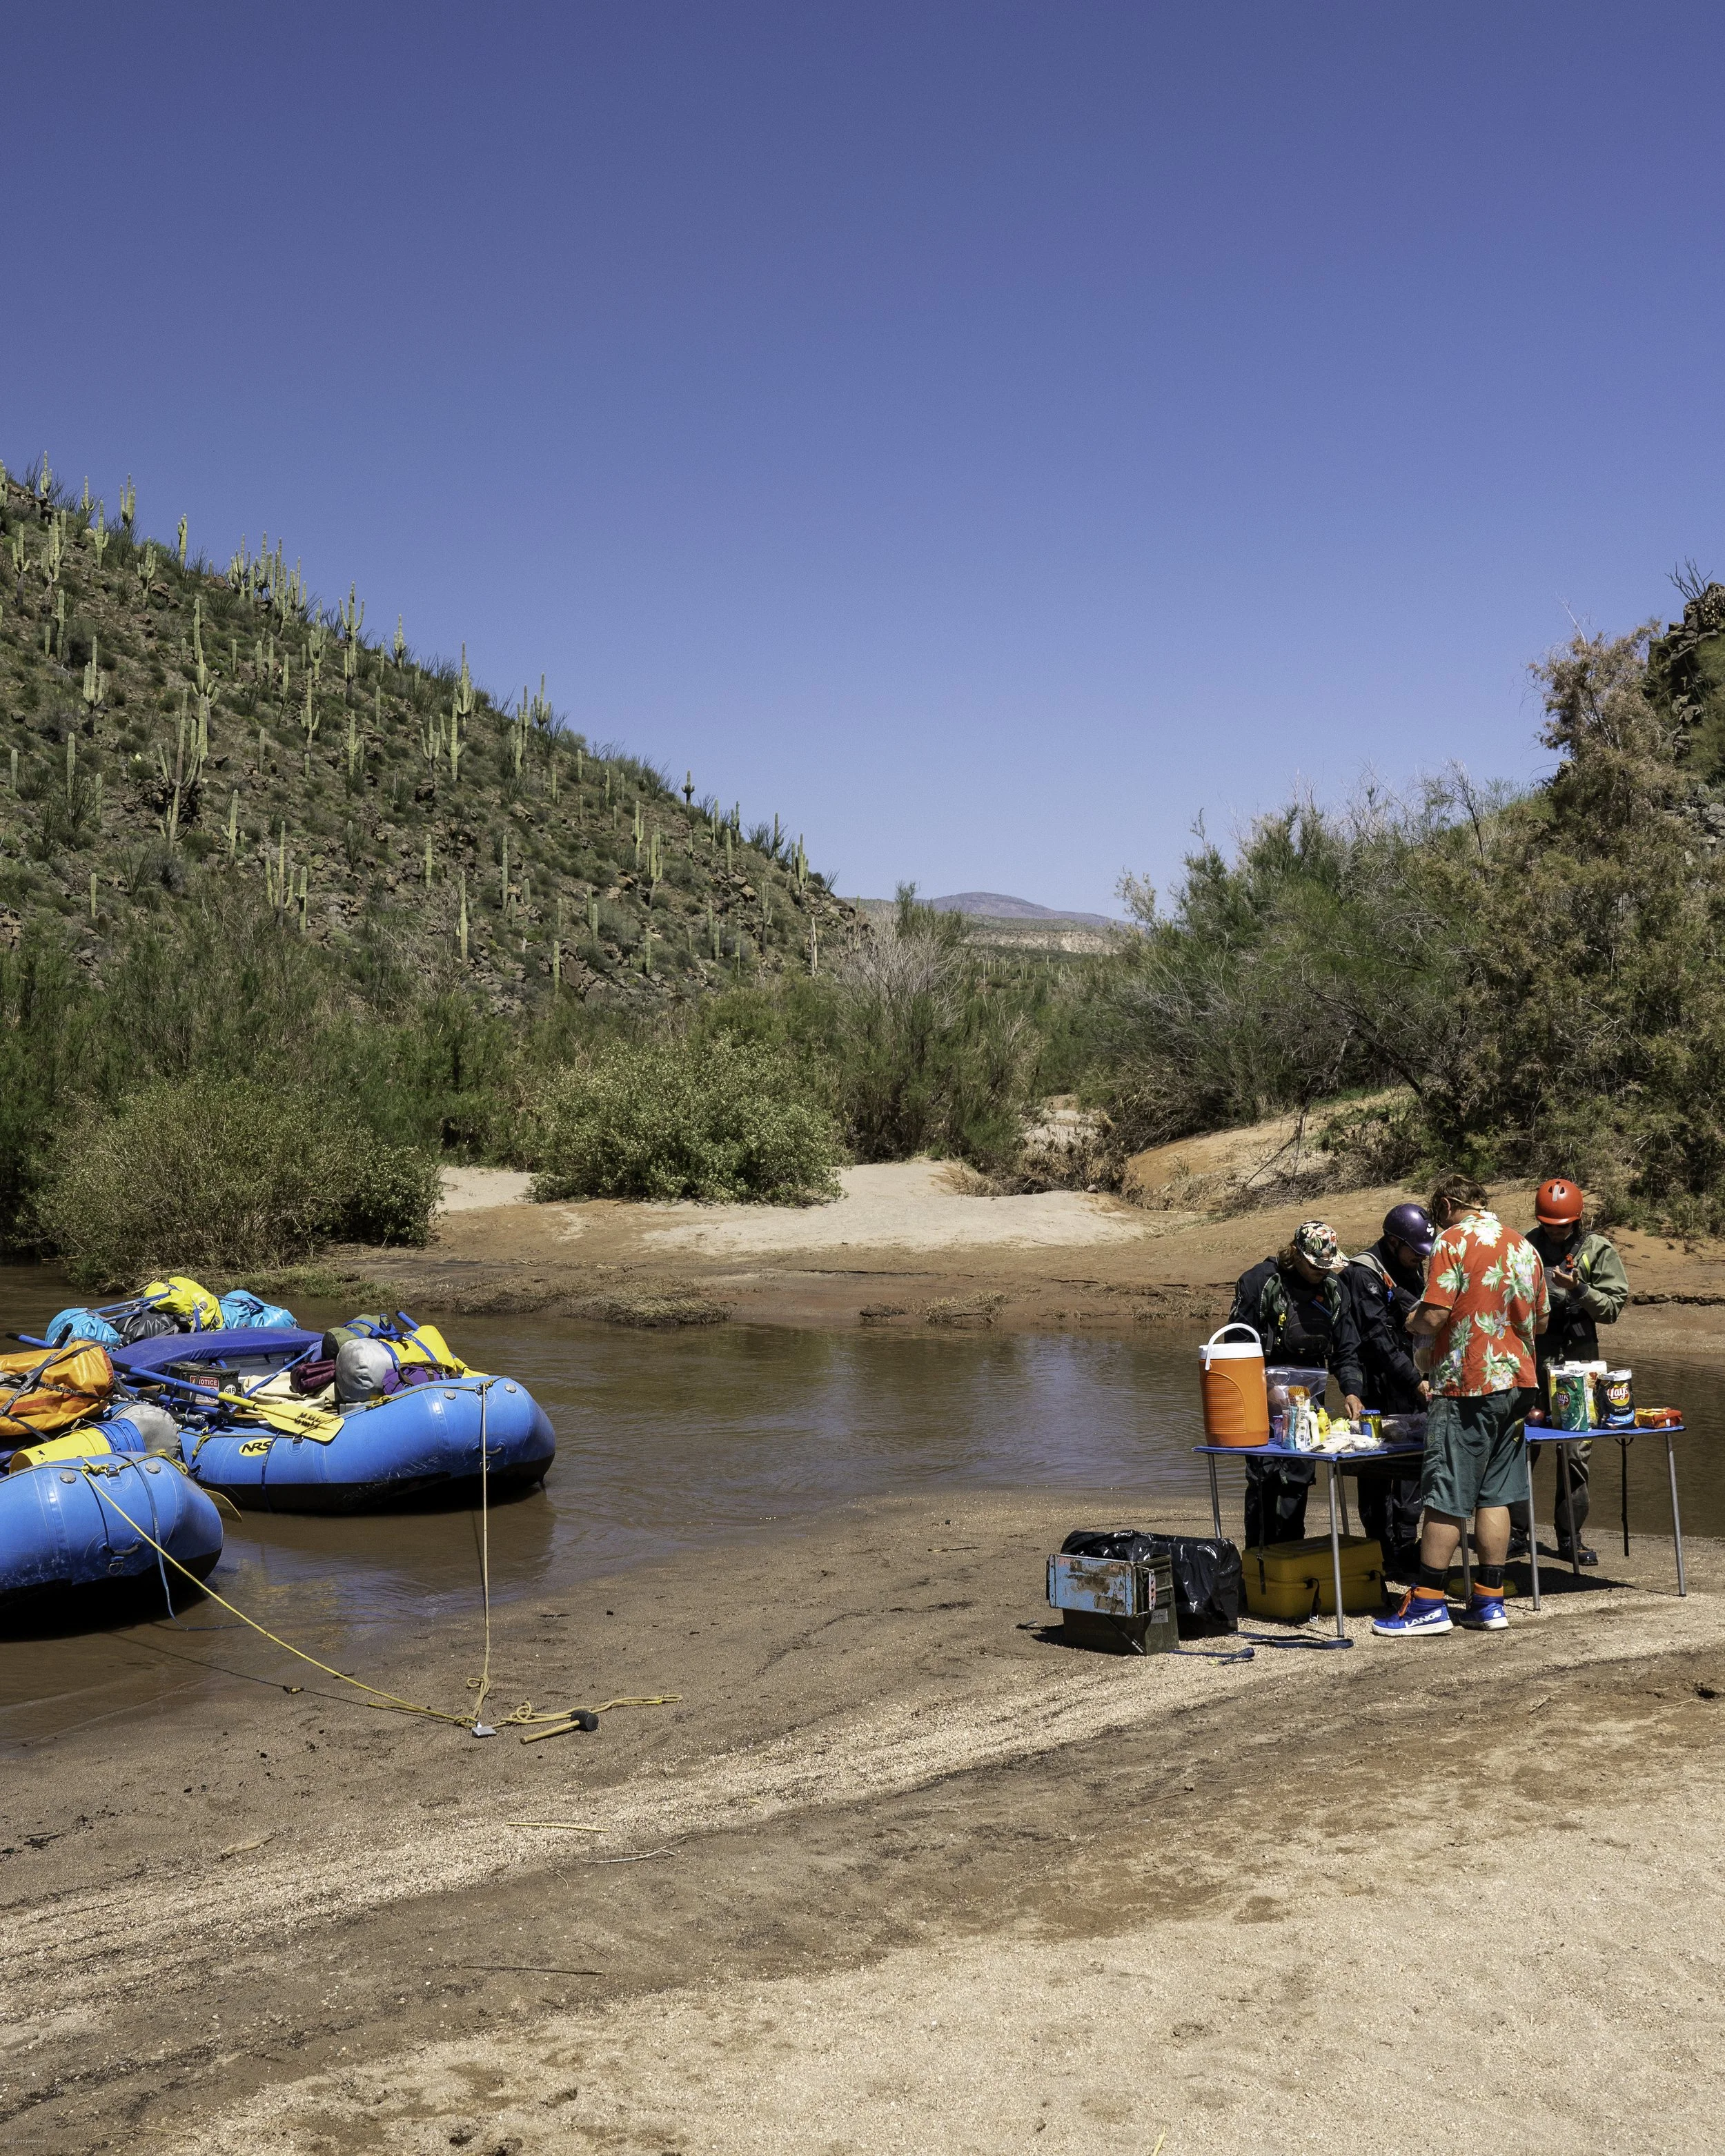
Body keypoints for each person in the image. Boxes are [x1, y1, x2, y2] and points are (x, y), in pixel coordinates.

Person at [1373, 1173, 1548, 1636]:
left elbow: (1434, 1314)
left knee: (1448, 1491)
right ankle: (1489, 1600)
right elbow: (1543, 1319)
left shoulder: (1453, 1240)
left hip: (1469, 1380)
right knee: (1496, 1492)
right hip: (1520, 1382)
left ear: (1448, 1205)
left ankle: (1428, 1601)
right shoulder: (1523, 1246)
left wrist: (1411, 1321)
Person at [1508, 1178, 1630, 1566]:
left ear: (1576, 1221)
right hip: (1531, 1358)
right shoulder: (1524, 1246)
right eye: (1548, 1225)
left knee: (1575, 1454)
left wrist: (1578, 1289)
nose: (1554, 1231)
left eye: (1561, 1226)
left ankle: (1570, 1537)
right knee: (1522, 1447)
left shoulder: (1598, 1250)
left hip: (1580, 1361)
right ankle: (1516, 1532)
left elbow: (1611, 1309)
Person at [1228, 1220, 1363, 1547]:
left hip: (1307, 1397)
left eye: (1327, 1266)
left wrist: (1351, 1390)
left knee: (1299, 1476)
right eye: (1317, 1266)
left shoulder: (1333, 1290)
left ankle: (1290, 1553)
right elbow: (1235, 1345)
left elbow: (1347, 1350)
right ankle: (1259, 1558)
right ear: (1297, 1255)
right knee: (1265, 1476)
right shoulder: (1259, 1282)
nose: (1323, 1272)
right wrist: (1265, 1388)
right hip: (1259, 1393)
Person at [1339, 1203, 1434, 1576]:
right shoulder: (1363, 1274)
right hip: (1378, 1383)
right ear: (1394, 1243)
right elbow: (1376, 1340)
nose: (1419, 1259)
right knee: (1376, 1470)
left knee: (1413, 1466)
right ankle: (1378, 1549)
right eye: (1415, 1252)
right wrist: (1416, 1380)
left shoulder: (1412, 1264)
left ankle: (1406, 1544)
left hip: (1413, 1379)